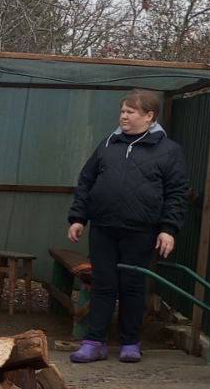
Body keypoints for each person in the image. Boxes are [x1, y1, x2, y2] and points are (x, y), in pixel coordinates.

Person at [66, 88, 189, 364]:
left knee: (133, 286)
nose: (123, 116)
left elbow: (177, 193)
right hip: (103, 227)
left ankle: (130, 343)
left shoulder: (168, 150)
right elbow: (86, 181)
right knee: (102, 285)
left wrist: (168, 228)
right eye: (122, 111)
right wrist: (78, 218)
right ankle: (93, 342)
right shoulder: (108, 144)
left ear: (149, 116)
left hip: (141, 230)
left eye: (130, 112)